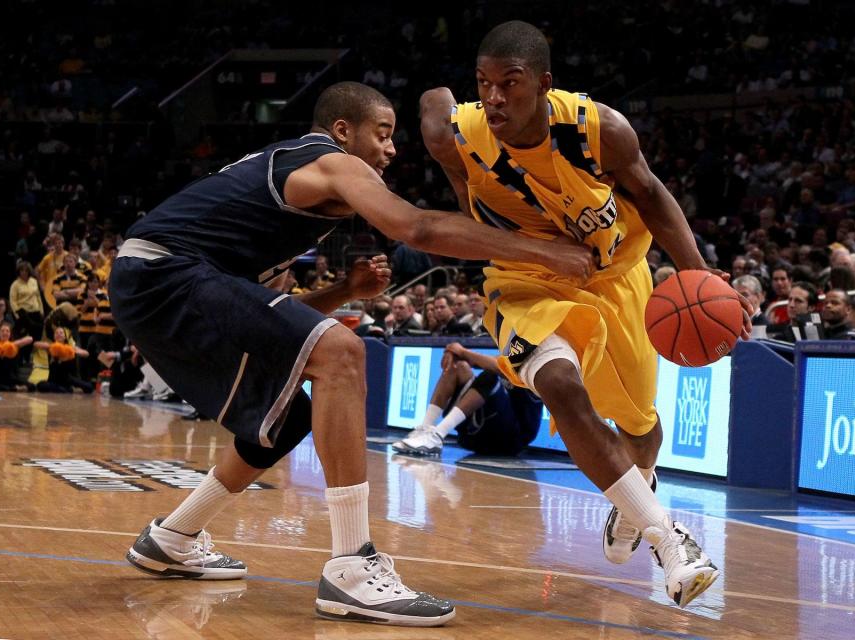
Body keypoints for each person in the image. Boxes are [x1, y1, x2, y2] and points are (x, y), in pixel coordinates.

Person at [109, 81, 593, 627]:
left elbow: (270, 318)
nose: (391, 149)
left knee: (287, 420)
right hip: (164, 273)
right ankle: (352, 571)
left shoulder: (276, 195)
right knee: (343, 351)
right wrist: (545, 252)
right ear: (344, 131)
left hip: (156, 280)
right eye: (382, 134)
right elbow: (416, 226)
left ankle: (173, 536)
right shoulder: (328, 159)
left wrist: (343, 292)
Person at [419, 22, 751, 608]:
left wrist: (699, 272)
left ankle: (634, 499)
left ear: (544, 84)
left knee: (642, 428)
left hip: (618, 277)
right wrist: (439, 99)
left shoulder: (599, 129)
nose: (494, 98)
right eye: (484, 84)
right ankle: (669, 540)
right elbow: (431, 110)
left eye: (510, 84)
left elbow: (650, 194)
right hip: (521, 283)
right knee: (560, 384)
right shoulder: (460, 135)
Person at [393, 342, 543, 456]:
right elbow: (492, 362)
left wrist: (462, 351)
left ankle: (438, 435)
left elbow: (499, 368)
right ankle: (425, 429)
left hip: (511, 440)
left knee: (490, 376)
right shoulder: (516, 348)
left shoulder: (538, 358)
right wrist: (456, 353)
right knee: (458, 367)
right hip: (482, 434)